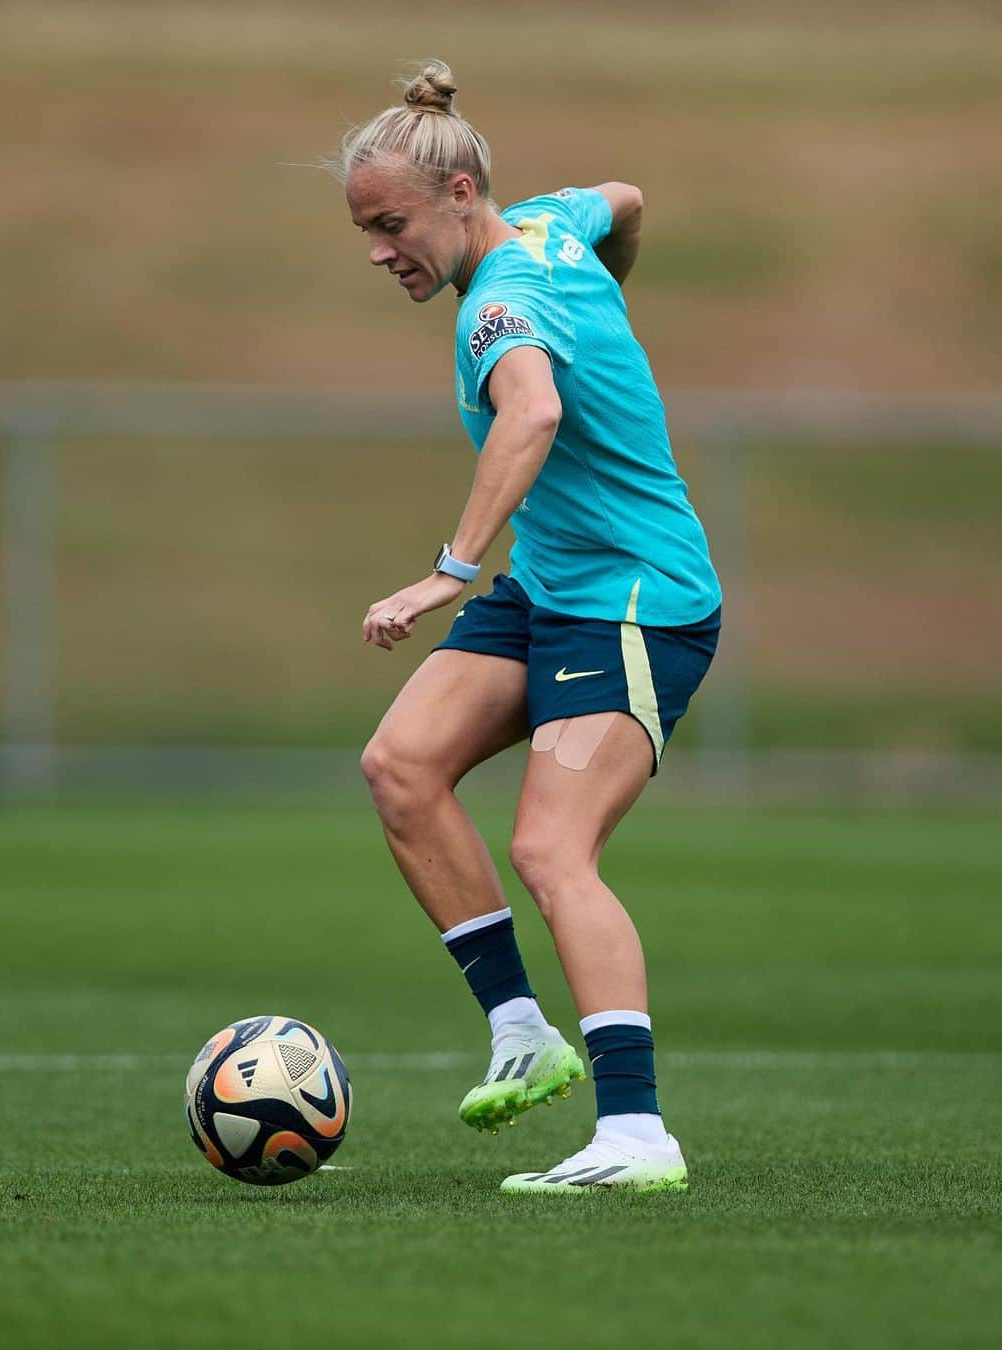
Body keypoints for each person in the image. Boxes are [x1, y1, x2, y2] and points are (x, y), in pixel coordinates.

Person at [341, 61, 721, 1194]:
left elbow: (537, 410)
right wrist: (607, 293)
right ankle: (521, 1029)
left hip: (637, 601)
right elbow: (629, 197)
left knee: (552, 849)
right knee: (401, 766)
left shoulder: (501, 308)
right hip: (554, 585)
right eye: (364, 228)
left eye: (391, 223)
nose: (377, 250)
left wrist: (446, 572)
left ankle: (637, 1137)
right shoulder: (552, 227)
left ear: (461, 195)